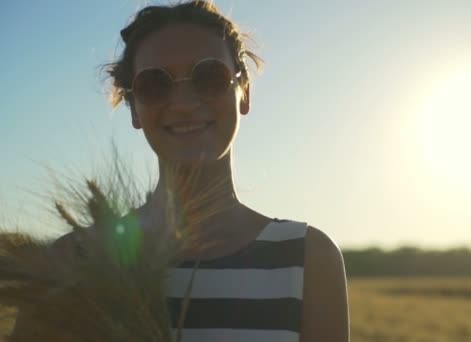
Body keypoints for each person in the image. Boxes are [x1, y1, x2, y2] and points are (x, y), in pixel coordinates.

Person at [10, 1, 349, 342]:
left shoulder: (307, 259)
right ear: (134, 110)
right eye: (155, 84)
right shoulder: (74, 261)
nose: (184, 102)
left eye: (210, 77)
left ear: (244, 93)